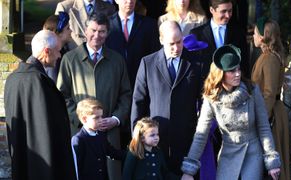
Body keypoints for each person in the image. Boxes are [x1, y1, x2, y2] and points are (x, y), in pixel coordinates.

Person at [180, 45, 281, 180]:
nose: (238, 73)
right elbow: (201, 134)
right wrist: (189, 170)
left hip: (252, 151)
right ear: (220, 74)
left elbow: (263, 127)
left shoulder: (252, 90)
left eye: (238, 69)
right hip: (228, 152)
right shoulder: (211, 98)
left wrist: (271, 160)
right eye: (232, 71)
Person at [57, 14, 131, 180]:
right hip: (80, 132)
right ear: (85, 30)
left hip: (109, 131)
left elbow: (126, 94)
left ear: (107, 33)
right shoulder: (69, 59)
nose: (97, 35)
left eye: (102, 31)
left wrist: (116, 119)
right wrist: (80, 119)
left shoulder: (117, 60)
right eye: (93, 30)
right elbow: (62, 95)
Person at [131, 20, 202, 176]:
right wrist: (137, 137)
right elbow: (138, 101)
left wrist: (200, 132)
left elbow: (204, 99)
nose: (176, 48)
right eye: (171, 44)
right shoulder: (147, 63)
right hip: (155, 141)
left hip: (186, 139)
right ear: (161, 40)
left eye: (179, 42)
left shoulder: (196, 62)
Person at [4, 30, 76, 180]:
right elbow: (52, 132)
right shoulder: (41, 83)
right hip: (45, 168)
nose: (59, 55)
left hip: (22, 163)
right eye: (57, 51)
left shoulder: (11, 80)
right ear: (46, 51)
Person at [251, 17, 290, 180]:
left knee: (272, 166)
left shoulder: (269, 59)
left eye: (255, 33)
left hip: (271, 115)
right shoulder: (266, 56)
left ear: (262, 36)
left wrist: (262, 120)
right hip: (269, 112)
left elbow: (269, 93)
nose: (253, 36)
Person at [106, 0, 161, 88]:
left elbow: (155, 55)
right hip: (113, 82)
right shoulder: (106, 25)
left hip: (142, 83)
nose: (130, 1)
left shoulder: (149, 24)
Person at [190, 0, 249, 79]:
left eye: (230, 11)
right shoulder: (197, 34)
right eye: (223, 11)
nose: (228, 15)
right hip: (206, 86)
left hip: (231, 86)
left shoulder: (238, 33)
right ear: (212, 10)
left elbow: (244, 63)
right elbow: (193, 66)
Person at [72, 98, 126, 180]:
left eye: (101, 116)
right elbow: (76, 169)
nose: (101, 120)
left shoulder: (101, 135)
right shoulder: (78, 140)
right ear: (84, 119)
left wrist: (133, 153)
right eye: (96, 117)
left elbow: (113, 153)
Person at [43, 11, 72, 82]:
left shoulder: (62, 51)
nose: (71, 31)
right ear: (58, 33)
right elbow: (54, 86)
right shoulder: (51, 57)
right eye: (68, 28)